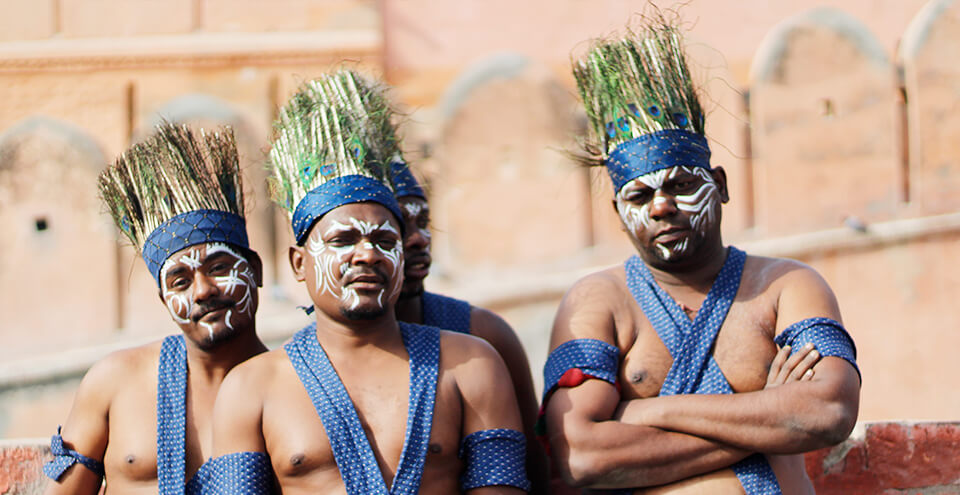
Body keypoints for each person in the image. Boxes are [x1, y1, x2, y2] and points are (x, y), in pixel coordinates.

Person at [539, 19, 861, 494]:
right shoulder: (597, 301)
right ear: (618, 212)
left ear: (722, 186)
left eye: (683, 185)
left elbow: (828, 411)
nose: (662, 206)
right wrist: (768, 417)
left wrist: (647, 411)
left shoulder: (787, 286)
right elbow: (583, 456)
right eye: (639, 198)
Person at [208, 70, 531, 494]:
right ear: (298, 262)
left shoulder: (471, 366)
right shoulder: (251, 389)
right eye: (342, 240)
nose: (367, 254)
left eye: (383, 239)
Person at [43, 123, 268, 494]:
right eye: (180, 281)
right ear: (164, 298)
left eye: (219, 268)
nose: (203, 291)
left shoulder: (292, 390)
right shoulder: (115, 381)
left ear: (255, 270)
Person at [390, 151, 548, 494]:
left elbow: (540, 471)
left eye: (425, 222)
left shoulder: (485, 335)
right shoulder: (300, 368)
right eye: (400, 226)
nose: (419, 239)